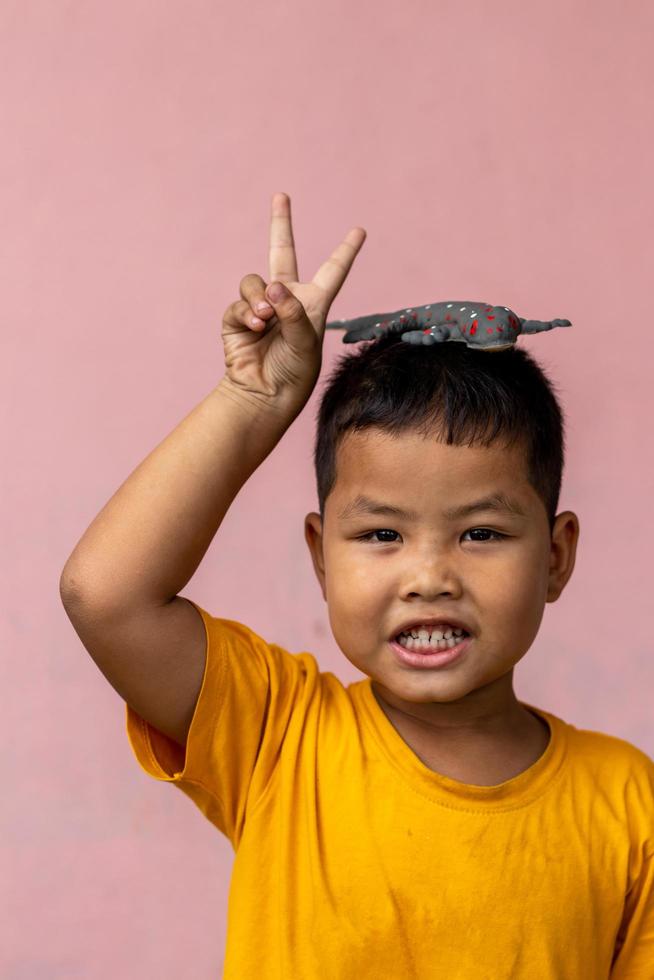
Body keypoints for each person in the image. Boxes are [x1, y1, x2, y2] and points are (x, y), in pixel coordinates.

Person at [60, 192, 654, 978]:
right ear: (320, 555)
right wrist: (254, 400)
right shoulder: (278, 734)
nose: (430, 576)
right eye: (382, 535)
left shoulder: (629, 803)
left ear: (555, 556)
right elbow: (105, 595)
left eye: (481, 533)